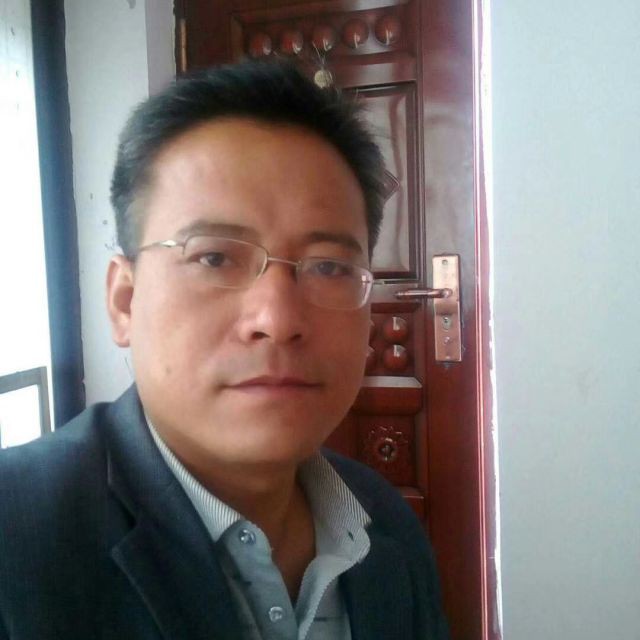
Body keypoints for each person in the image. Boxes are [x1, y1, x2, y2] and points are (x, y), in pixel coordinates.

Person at [0, 61, 449, 639]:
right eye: (214, 257)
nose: (278, 320)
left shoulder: (383, 525)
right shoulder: (16, 536)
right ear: (124, 300)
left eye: (329, 267)